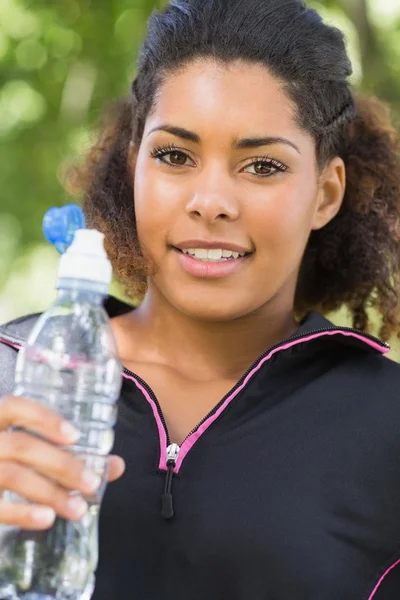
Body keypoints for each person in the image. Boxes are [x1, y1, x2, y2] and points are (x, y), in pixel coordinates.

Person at [1, 0, 400, 597]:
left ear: (325, 193)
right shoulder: (15, 372)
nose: (210, 200)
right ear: (134, 164)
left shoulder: (386, 424)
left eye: (262, 166)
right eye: (174, 156)